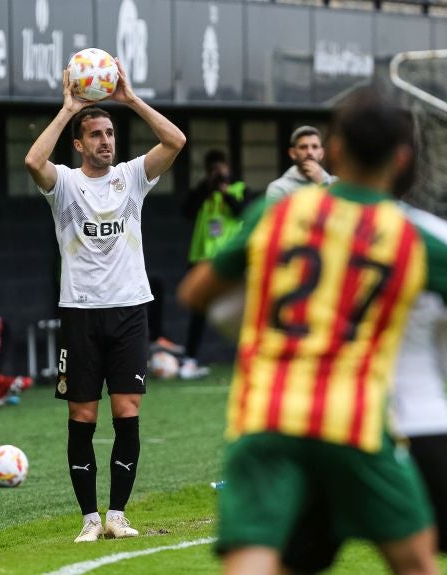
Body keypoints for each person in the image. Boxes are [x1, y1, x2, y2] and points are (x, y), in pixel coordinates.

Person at [177, 87, 447, 575]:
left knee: (256, 561)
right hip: (354, 419)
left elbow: (196, 294)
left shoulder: (276, 212)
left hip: (267, 411)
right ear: (401, 158)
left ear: (334, 149)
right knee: (419, 560)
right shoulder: (411, 236)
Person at [280, 125, 447, 575]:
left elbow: (216, 301)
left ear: (335, 152)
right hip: (416, 421)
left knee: (281, 564)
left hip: (324, 420)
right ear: (406, 160)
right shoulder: (431, 236)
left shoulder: (297, 228)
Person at [25, 57, 186, 542]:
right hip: (80, 313)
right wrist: (68, 107)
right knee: (82, 416)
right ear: (79, 144)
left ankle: (117, 514)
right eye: (95, 135)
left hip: (130, 309)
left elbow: (175, 141)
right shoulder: (66, 184)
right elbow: (33, 162)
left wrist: (130, 99)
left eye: (110, 134)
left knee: (127, 412)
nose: (106, 141)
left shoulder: (133, 176)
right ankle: (89, 519)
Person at [179, 150, 248, 379]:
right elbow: (187, 211)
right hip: (201, 258)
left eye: (221, 169)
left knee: (244, 309)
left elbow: (241, 211)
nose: (218, 174)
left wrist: (224, 190)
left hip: (230, 260)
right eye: (213, 170)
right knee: (197, 313)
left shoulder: (237, 188)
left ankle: (247, 360)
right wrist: (206, 186)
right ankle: (190, 360)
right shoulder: (202, 191)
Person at [265, 125, 337, 203]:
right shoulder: (279, 188)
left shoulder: (337, 183)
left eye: (315, 147)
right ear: (293, 153)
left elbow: (342, 212)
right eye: (303, 147)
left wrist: (321, 183)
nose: (309, 152)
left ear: (322, 153)